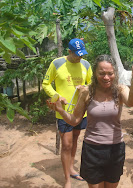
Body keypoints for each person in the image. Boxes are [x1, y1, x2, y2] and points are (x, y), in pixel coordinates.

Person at [47, 54, 133, 188]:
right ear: (94, 73)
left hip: (115, 149)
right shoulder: (87, 92)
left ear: (115, 73)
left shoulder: (120, 90)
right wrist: (61, 111)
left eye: (110, 73)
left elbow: (132, 102)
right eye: (102, 73)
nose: (106, 77)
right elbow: (75, 120)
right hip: (92, 150)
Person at [42, 38, 92, 188]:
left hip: (80, 111)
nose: (80, 57)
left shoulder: (86, 65)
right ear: (69, 52)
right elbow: (46, 83)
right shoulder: (57, 63)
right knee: (66, 144)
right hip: (63, 112)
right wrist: (57, 97)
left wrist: (85, 88)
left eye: (82, 54)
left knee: (75, 140)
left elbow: (91, 83)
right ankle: (67, 180)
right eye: (77, 54)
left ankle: (71, 168)